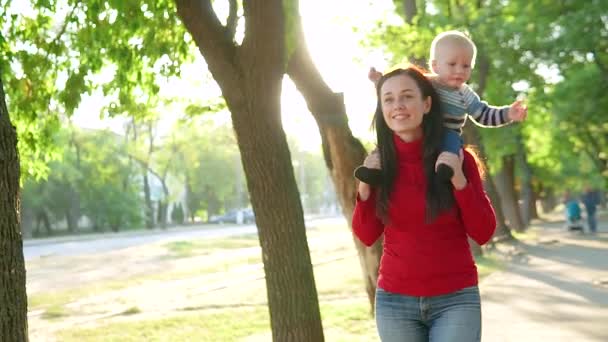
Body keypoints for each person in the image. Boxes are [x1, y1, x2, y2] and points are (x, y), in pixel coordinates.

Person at [352, 66, 496, 342]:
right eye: (389, 99)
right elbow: (366, 235)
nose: (398, 106)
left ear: (427, 103)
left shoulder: (457, 159)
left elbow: (484, 231)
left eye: (407, 96)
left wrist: (459, 181)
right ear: (381, 108)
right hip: (395, 302)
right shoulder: (377, 165)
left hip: (456, 298)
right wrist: (365, 185)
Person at [356, 30, 528, 185]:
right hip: (423, 129)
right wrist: (379, 81)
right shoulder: (425, 83)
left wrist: (508, 114)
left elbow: (484, 114)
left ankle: (445, 168)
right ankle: (374, 170)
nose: (459, 70)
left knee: (452, 143)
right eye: (452, 64)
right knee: (388, 143)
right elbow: (397, 88)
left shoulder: (465, 94)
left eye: (466, 66)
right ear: (435, 65)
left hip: (447, 132)